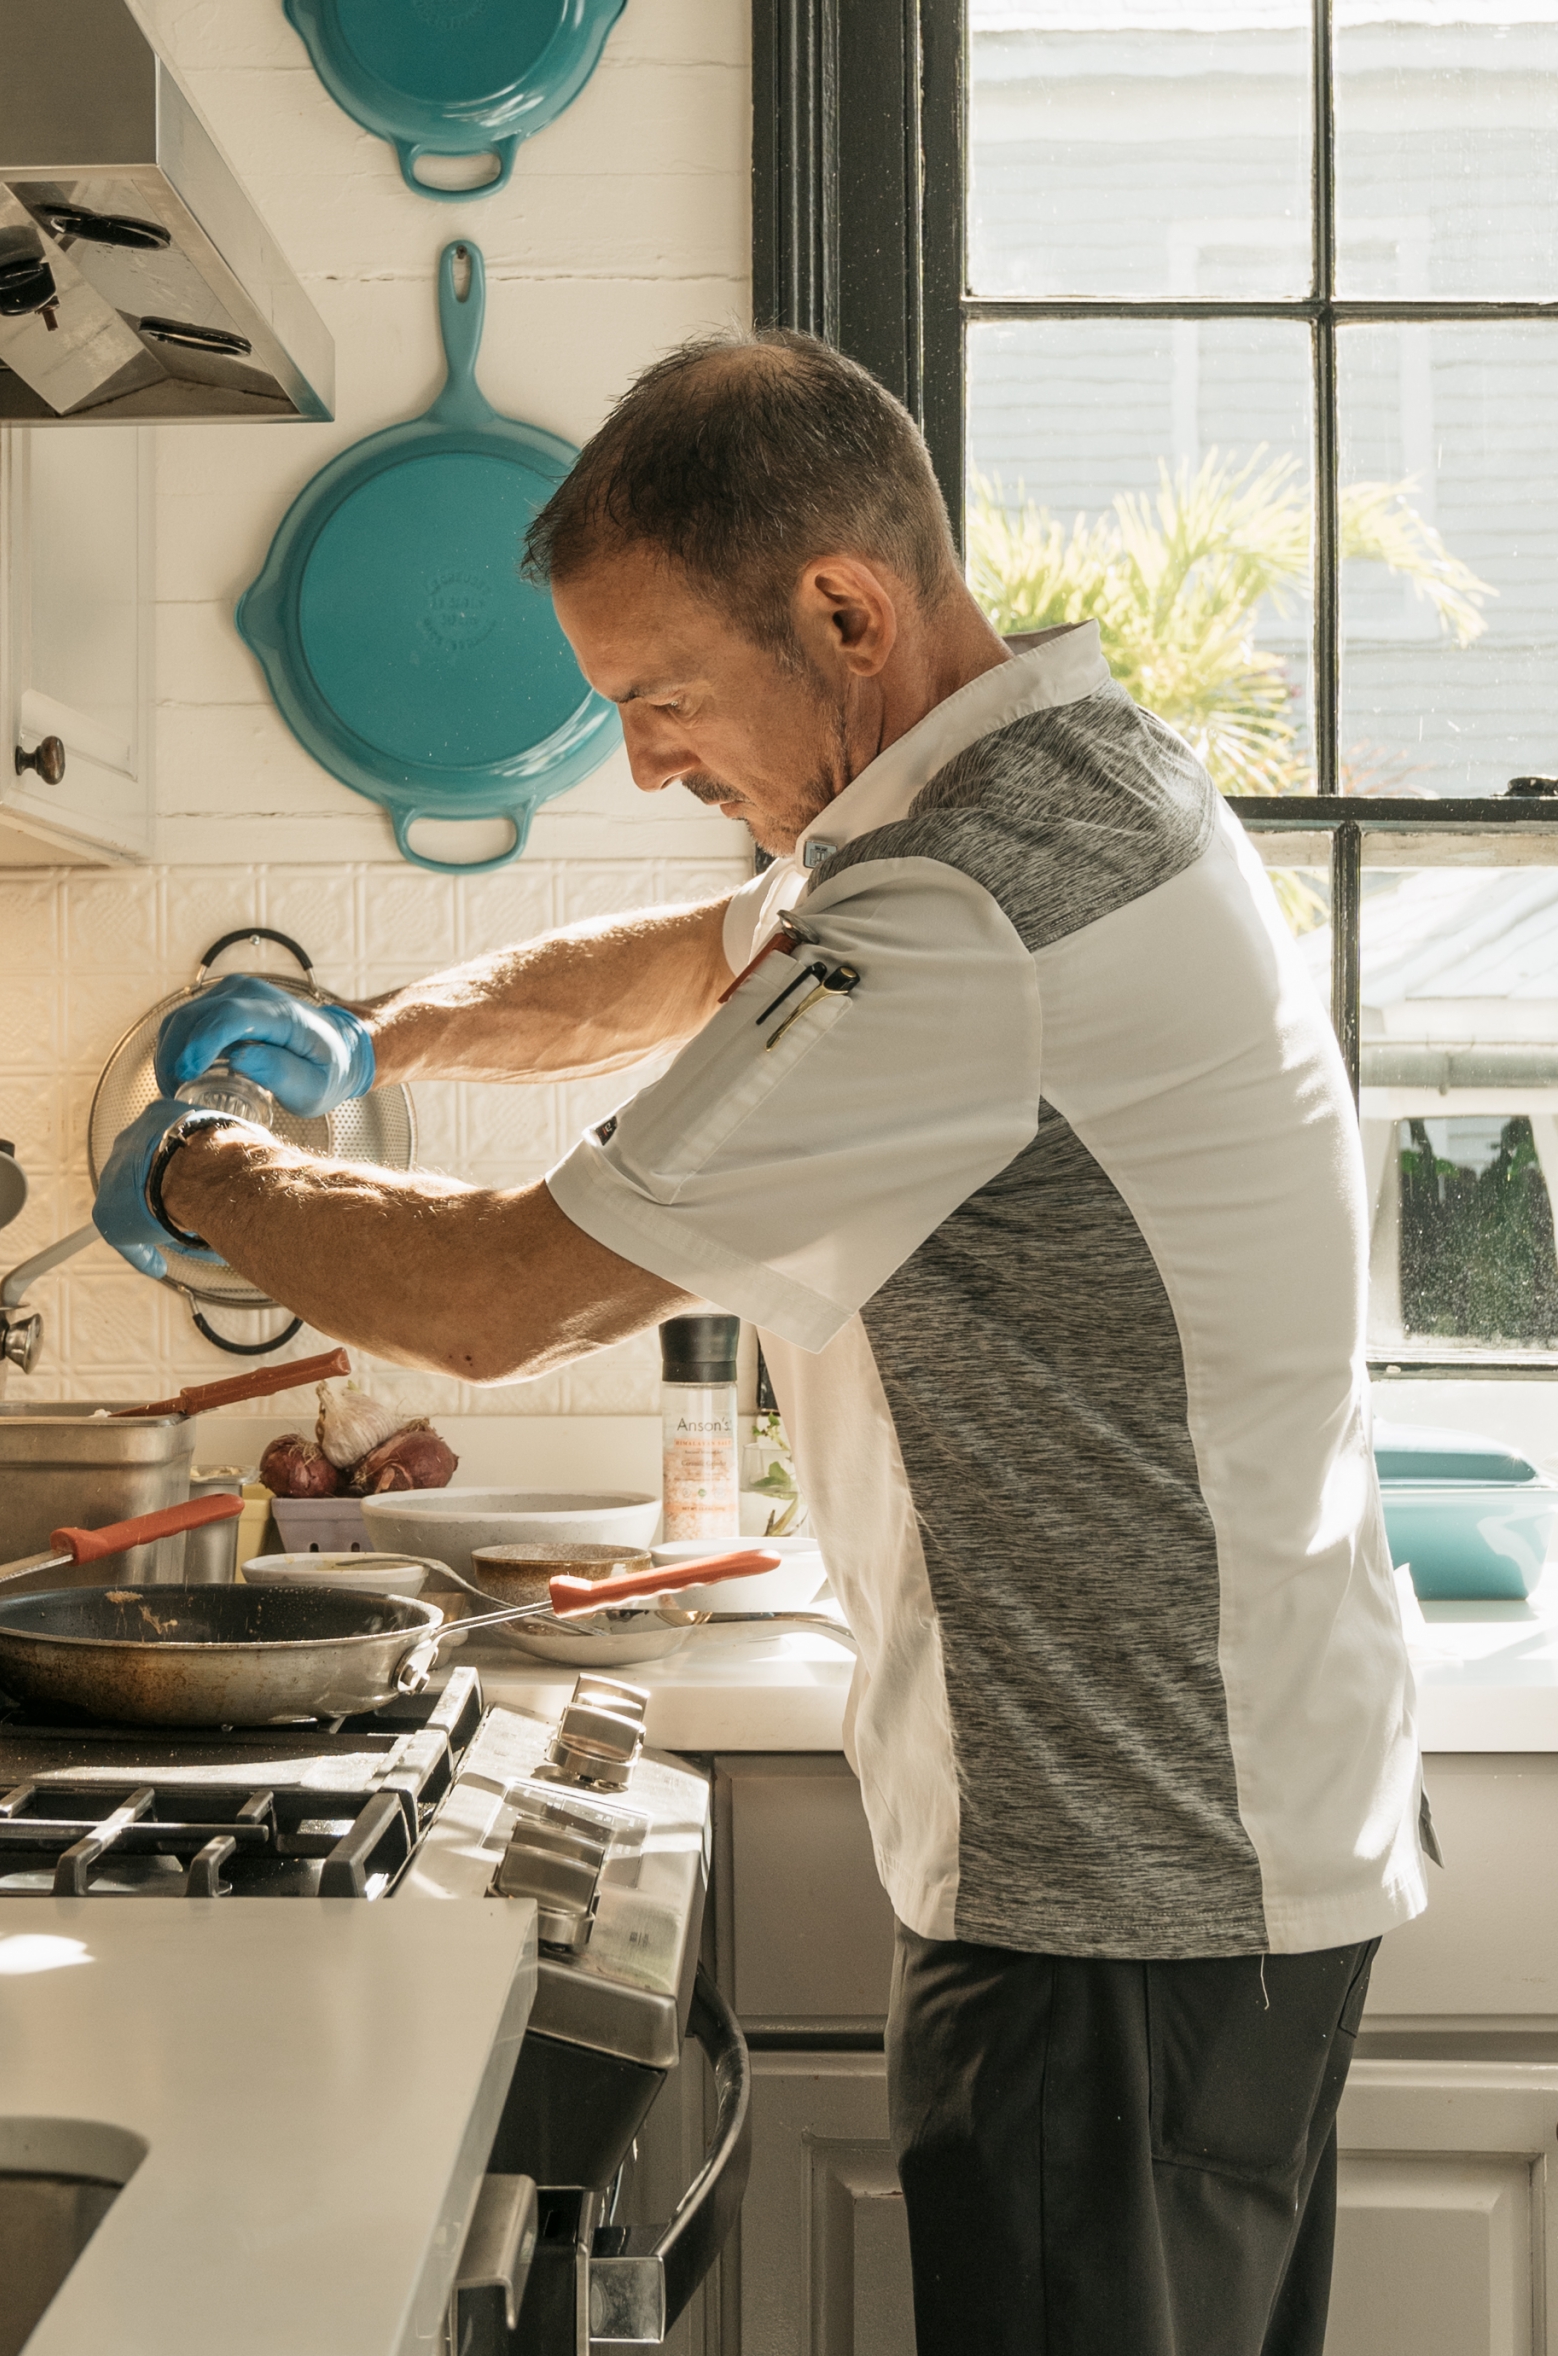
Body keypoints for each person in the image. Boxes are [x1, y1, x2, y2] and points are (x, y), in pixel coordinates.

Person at [95, 331, 1427, 2356]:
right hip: (1201, 1864)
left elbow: (500, 1292)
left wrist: (199, 1168)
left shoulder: (967, 912)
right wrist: (378, 1029)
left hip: (1120, 1892)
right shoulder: (1033, 792)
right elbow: (673, 960)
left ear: (840, 609)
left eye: (657, 697)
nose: (639, 760)